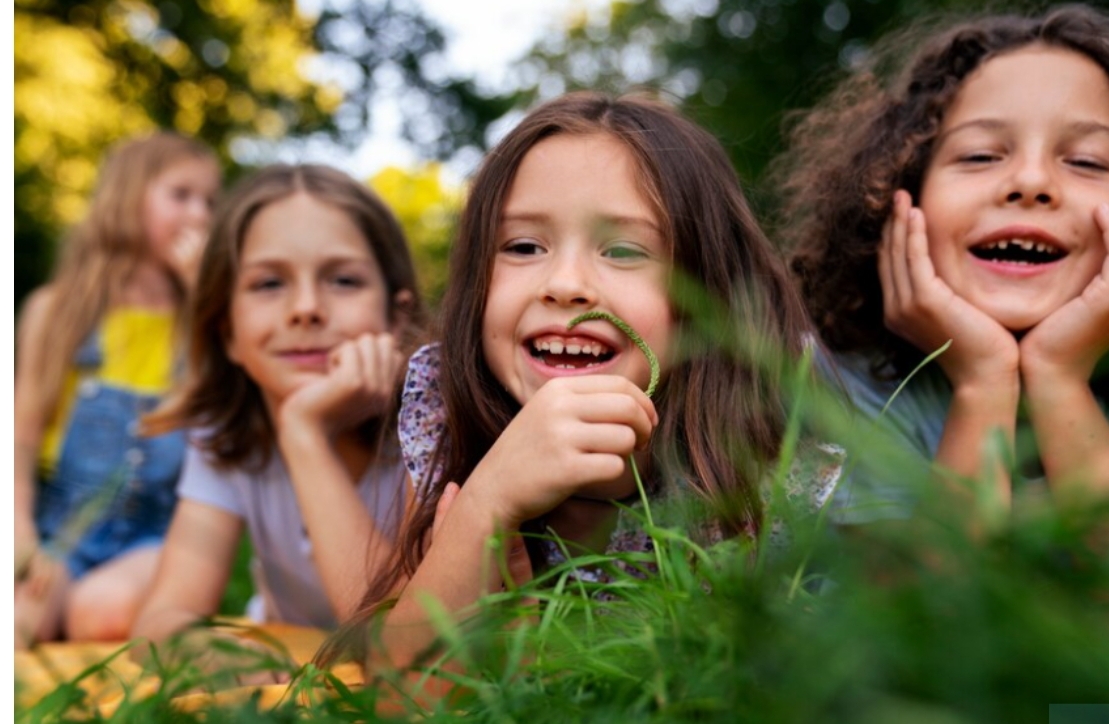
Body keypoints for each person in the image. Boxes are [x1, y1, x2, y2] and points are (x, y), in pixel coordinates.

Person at [322, 91, 844, 673]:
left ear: (708, 294)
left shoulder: (763, 473)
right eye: (524, 246)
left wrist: (534, 662)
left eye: (622, 250)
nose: (565, 285)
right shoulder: (452, 423)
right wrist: (485, 503)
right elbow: (399, 694)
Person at [776, 5, 1109, 527]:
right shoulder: (835, 388)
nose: (1030, 182)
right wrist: (984, 383)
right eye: (980, 156)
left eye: (1088, 161)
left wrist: (1058, 377)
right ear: (899, 192)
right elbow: (924, 584)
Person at [129, 164, 426, 673]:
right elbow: (161, 621)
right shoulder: (227, 439)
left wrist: (305, 434)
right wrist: (212, 656)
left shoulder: (432, 430)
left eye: (343, 280)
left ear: (396, 318)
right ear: (227, 331)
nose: (306, 308)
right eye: (269, 283)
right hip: (286, 663)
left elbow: (393, 641)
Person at [14, 132, 220, 648]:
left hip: (155, 542)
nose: (200, 215)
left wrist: (207, 297)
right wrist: (18, 532)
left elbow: (221, 413)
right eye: (181, 195)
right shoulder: (56, 311)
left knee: (102, 615)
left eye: (210, 202)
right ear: (127, 199)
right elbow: (19, 440)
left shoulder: (204, 324)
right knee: (17, 617)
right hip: (59, 535)